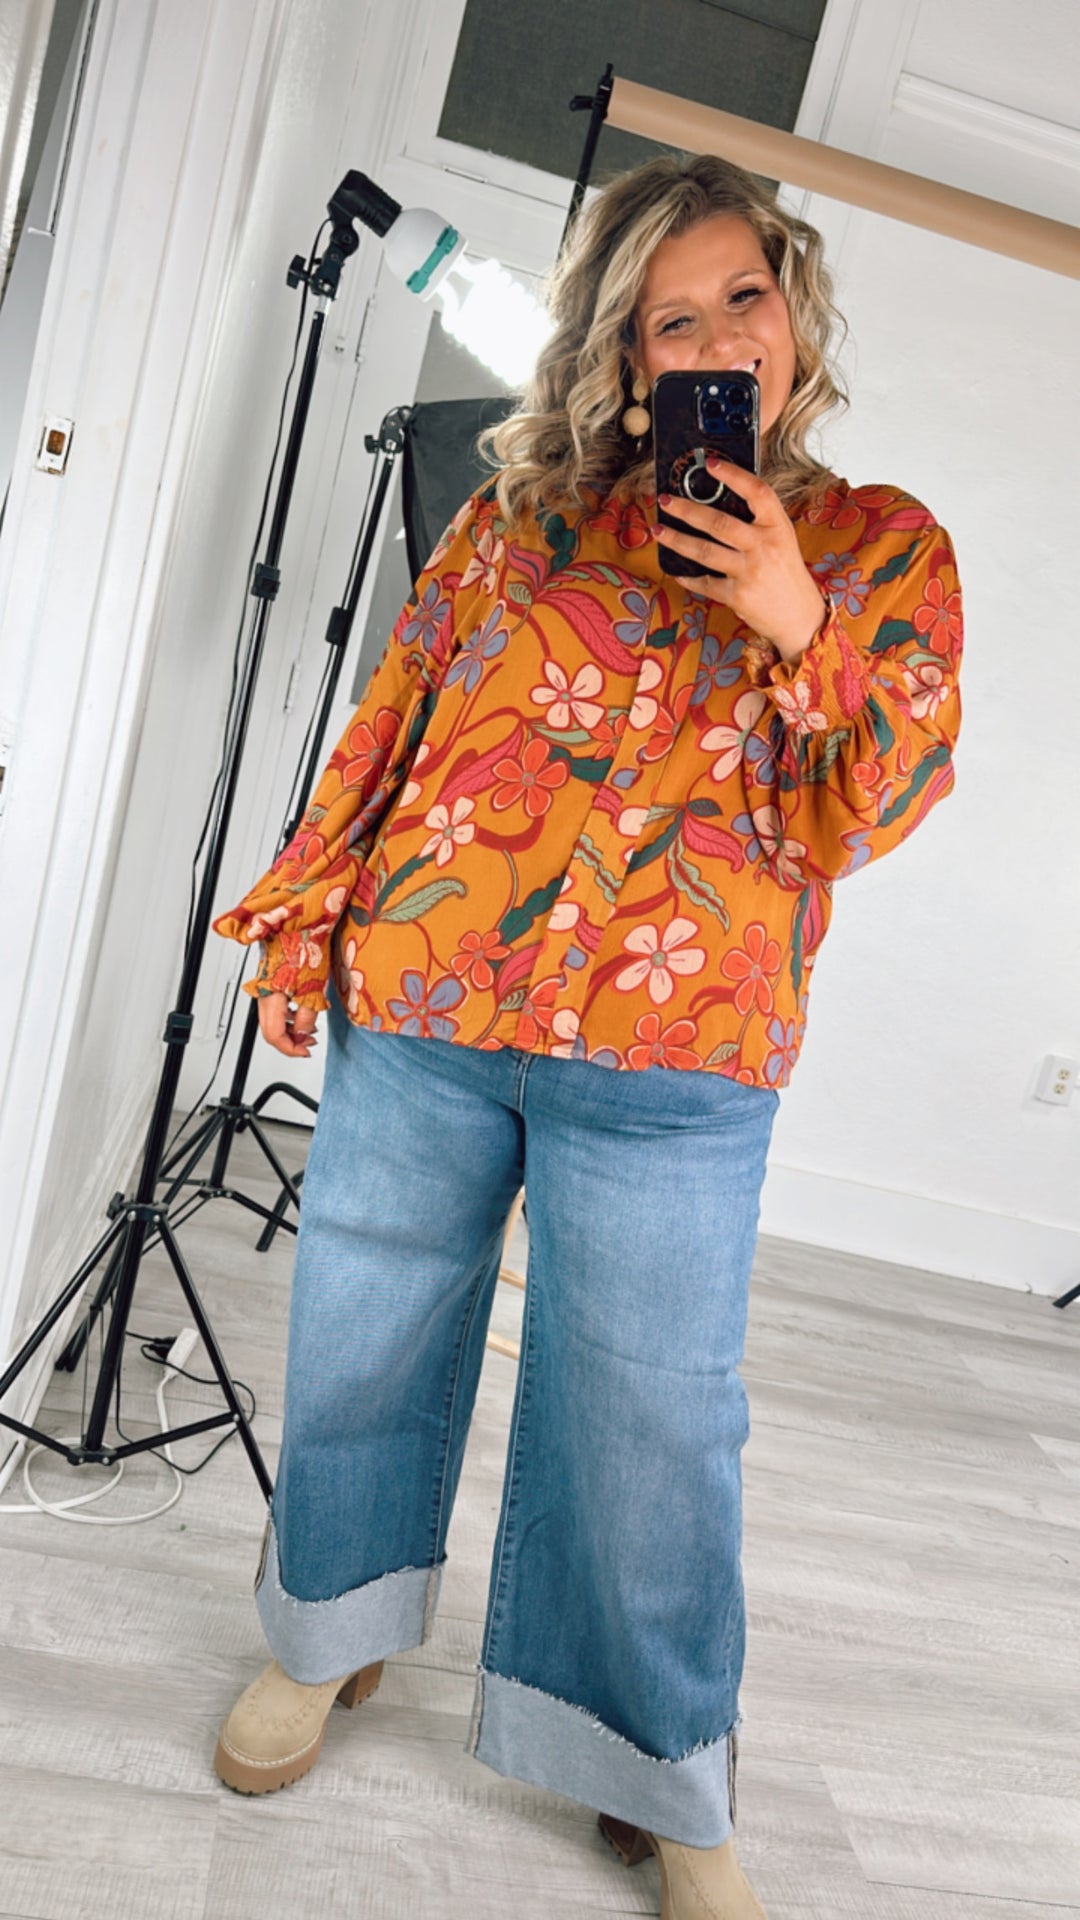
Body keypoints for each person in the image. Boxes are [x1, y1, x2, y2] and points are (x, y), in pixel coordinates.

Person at [211, 152, 962, 1919]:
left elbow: (871, 806)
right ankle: (326, 1636)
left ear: (794, 312)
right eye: (671, 317)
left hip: (677, 1054)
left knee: (653, 1427)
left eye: (743, 298)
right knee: (364, 1335)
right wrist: (305, 913)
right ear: (628, 353)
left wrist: (793, 615)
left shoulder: (884, 547)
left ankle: (658, 1771)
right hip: (434, 991)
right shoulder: (521, 515)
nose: (717, 336)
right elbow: (396, 718)